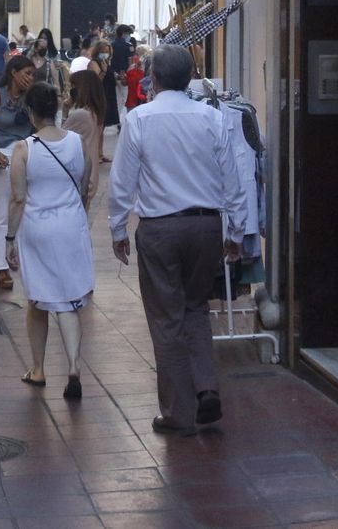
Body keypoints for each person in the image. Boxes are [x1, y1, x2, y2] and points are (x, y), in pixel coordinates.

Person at [108, 45, 245, 436]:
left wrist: (118, 229)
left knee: (166, 318)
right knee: (196, 308)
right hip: (205, 225)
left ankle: (176, 412)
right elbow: (231, 179)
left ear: (155, 78)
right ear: (189, 78)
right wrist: (235, 231)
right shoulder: (211, 118)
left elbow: (122, 182)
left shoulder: (139, 119)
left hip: (160, 229)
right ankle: (206, 388)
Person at [7, 83, 94, 400]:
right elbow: (84, 187)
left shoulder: (23, 149)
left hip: (37, 229)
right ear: (56, 110)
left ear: (31, 112)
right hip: (71, 226)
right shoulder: (77, 143)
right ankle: (73, 366)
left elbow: (18, 199)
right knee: (70, 300)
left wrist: (8, 239)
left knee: (38, 300)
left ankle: (38, 368)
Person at [0, 54, 35, 292]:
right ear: (14, 72)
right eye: (27, 74)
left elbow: (37, 126)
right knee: (3, 209)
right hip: (1, 154)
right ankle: (0, 265)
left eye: (33, 75)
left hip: (25, 153)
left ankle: (16, 256)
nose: (30, 78)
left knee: (23, 208)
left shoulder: (30, 98)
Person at [64, 70, 105, 207]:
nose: (71, 91)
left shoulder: (81, 115)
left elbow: (57, 137)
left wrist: (65, 110)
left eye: (73, 86)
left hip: (79, 179)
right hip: (90, 177)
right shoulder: (95, 113)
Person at [29, 28, 70, 111]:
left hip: (48, 88)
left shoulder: (53, 54)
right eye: (42, 38)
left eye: (46, 38)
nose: (44, 40)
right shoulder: (32, 55)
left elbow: (56, 77)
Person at [92, 39, 121, 142]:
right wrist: (103, 72)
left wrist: (119, 77)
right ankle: (96, 154)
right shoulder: (94, 63)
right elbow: (97, 81)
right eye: (103, 51)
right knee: (98, 127)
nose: (105, 54)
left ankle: (100, 154)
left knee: (102, 127)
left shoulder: (106, 63)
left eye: (107, 52)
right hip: (100, 96)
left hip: (109, 96)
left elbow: (113, 76)